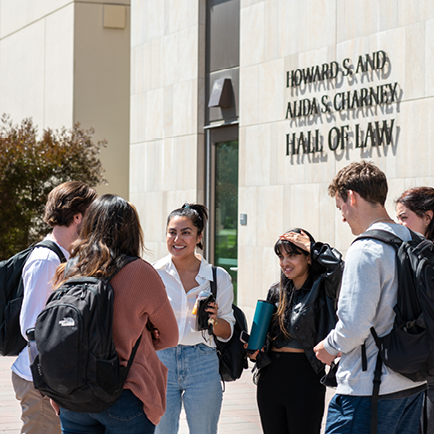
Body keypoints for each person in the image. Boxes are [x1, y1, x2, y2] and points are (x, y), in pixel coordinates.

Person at [314, 161, 427, 434]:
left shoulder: (365, 249)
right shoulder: (414, 240)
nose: (342, 216)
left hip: (368, 389)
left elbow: (354, 325)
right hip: (413, 384)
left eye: (341, 206)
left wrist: (327, 347)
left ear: (352, 197)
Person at [53, 194, 179, 433]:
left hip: (72, 392)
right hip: (124, 391)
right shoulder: (140, 272)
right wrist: (138, 335)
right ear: (131, 230)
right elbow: (170, 336)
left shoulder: (69, 269)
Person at [11, 181, 97, 434]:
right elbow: (32, 329)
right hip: (41, 382)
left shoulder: (67, 255)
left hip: (54, 379)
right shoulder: (46, 260)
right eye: (91, 214)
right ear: (78, 216)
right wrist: (51, 387)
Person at [248, 228, 343, 434]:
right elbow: (268, 335)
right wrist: (255, 348)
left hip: (305, 377)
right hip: (270, 377)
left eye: (292, 255)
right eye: (281, 257)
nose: (285, 263)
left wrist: (313, 247)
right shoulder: (277, 290)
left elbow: (339, 267)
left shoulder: (324, 287)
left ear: (309, 258)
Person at [153, 203, 235, 434]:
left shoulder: (218, 277)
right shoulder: (153, 273)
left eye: (185, 232)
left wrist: (214, 320)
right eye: (172, 232)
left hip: (203, 361)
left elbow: (227, 331)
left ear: (199, 236)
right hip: (162, 360)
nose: (177, 239)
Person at [396, 186, 434, 434]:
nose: (399, 225)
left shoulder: (425, 257)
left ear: (427, 217)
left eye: (403, 217)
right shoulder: (414, 253)